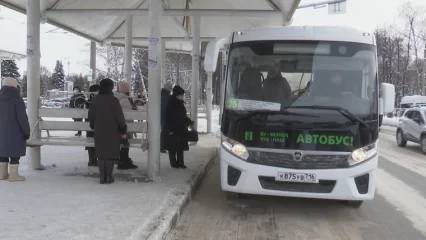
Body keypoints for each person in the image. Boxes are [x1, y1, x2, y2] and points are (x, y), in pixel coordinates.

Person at [89, 78, 127, 184]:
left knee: (101, 153)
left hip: (99, 130)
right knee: (110, 153)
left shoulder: (95, 99)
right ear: (110, 87)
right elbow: (119, 117)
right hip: (113, 131)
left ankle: (102, 177)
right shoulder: (113, 100)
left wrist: (93, 125)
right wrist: (123, 128)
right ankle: (109, 177)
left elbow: (91, 116)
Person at [0, 77, 30, 182]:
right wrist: (26, 131)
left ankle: (2, 174)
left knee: (2, 151)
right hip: (15, 132)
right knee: (14, 153)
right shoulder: (17, 99)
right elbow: (22, 118)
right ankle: (13, 175)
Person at [164, 85, 193, 169]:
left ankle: (180, 163)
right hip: (173, 129)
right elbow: (168, 117)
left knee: (180, 147)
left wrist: (189, 122)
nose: (182, 96)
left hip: (180, 128)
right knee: (173, 147)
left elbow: (183, 116)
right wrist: (169, 129)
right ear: (176, 95)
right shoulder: (171, 104)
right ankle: (174, 163)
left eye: (182, 95)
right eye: (181, 95)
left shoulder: (179, 103)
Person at [115, 81, 138, 170]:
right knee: (125, 142)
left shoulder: (115, 97)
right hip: (123, 127)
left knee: (123, 141)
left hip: (115, 127)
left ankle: (122, 159)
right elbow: (127, 117)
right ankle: (124, 161)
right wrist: (127, 130)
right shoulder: (125, 100)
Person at [85, 84, 99, 167]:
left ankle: (92, 159)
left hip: (90, 127)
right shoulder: (99, 102)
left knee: (90, 137)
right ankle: (96, 159)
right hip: (97, 128)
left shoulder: (87, 103)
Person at [160, 81, 173, 153]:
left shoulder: (161, 94)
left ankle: (163, 146)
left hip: (160, 115)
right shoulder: (167, 96)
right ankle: (162, 146)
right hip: (165, 115)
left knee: (164, 130)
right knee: (165, 131)